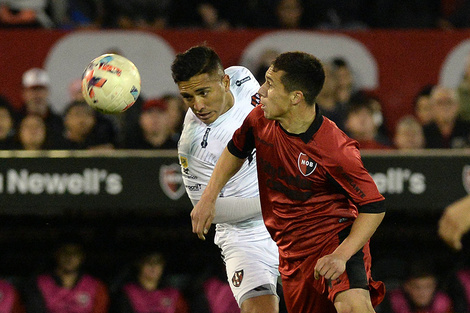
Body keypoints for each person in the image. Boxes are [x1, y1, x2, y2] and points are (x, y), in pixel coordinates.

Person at [190, 51, 386, 313]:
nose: (261, 90)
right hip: (291, 254)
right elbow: (235, 150)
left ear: (296, 97)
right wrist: (208, 197)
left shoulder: (335, 149)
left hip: (333, 241)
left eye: (270, 84)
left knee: (354, 307)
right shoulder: (260, 119)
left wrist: (342, 254)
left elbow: (373, 207)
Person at [171, 45, 280, 313]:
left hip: (294, 216)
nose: (198, 105)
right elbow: (210, 211)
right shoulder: (192, 144)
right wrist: (273, 203)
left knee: (348, 303)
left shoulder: (242, 77)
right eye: (187, 97)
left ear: (225, 81)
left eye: (203, 92)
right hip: (246, 234)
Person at [22, 240, 109, 313]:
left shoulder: (96, 287)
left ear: (82, 257)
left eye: (75, 253)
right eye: (65, 252)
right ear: (56, 254)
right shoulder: (39, 284)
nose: (69, 257)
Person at [111, 252, 189, 313]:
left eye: (157, 262)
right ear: (140, 264)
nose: (153, 267)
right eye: (149, 262)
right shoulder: (128, 293)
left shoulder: (172, 294)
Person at [378, 257, 453, 313]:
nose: (422, 293)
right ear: (406, 286)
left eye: (428, 287)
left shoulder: (443, 304)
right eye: (417, 287)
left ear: (435, 286)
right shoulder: (393, 302)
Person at [19, 68, 64, 143]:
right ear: (24, 93)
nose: (37, 95)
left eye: (41, 89)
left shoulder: (58, 122)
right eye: (33, 90)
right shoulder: (16, 120)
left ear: (48, 92)